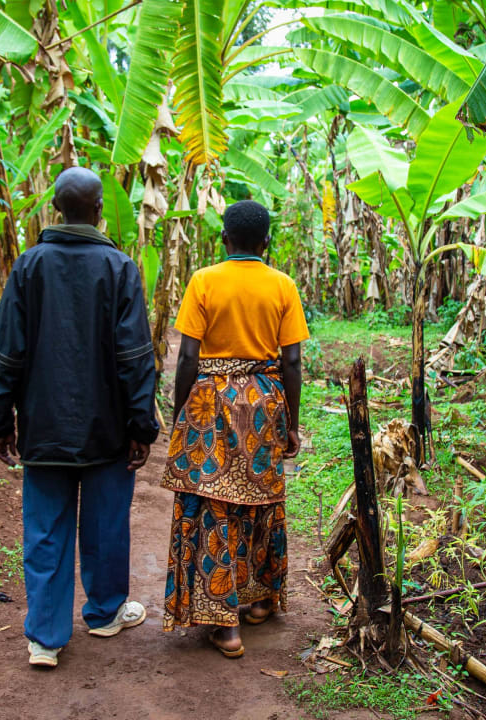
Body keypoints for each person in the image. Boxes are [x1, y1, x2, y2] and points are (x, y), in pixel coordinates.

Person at [0, 166, 159, 669]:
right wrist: (141, 425)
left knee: (45, 530)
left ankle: (45, 638)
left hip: (43, 426)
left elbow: (5, 352)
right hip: (108, 429)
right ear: (100, 209)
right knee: (106, 527)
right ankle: (104, 615)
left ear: (55, 209)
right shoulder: (120, 268)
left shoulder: (29, 266)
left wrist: (2, 420)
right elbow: (134, 357)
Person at [160, 199, 308, 658]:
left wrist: (182, 410)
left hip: (211, 403)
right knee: (261, 499)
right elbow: (292, 361)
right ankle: (260, 600)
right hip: (265, 404)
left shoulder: (204, 280)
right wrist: (291, 426)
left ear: (224, 239)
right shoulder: (282, 285)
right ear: (267, 242)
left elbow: (186, 357)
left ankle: (226, 628)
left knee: (213, 503)